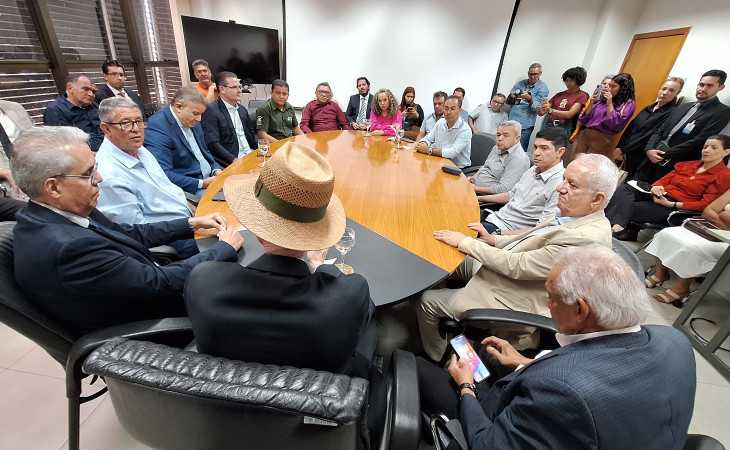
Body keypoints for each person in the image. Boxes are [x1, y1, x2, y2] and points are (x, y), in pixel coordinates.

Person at [185, 140, 385, 439]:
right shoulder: (348, 294)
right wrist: (321, 268)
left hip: (224, 418)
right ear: (317, 237)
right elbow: (366, 313)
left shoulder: (203, 280)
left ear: (255, 227)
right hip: (315, 427)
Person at [417, 245, 695, 450]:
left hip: (495, 425)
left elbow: (486, 444)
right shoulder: (675, 341)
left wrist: (466, 387)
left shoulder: (562, 391)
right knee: (479, 350)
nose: (548, 307)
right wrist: (524, 362)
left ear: (580, 310)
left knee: (415, 365)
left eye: (551, 297)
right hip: (577, 420)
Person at [10, 126, 243, 336]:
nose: (100, 178)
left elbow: (127, 233)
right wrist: (223, 249)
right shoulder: (70, 248)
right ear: (53, 187)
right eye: (88, 173)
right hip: (156, 327)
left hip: (146, 285)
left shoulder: (58, 211)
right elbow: (159, 282)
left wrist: (191, 223)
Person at [418, 154, 618, 359]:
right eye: (564, 179)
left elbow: (518, 266)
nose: (560, 187)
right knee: (447, 254)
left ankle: (439, 359)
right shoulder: (575, 214)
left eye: (572, 185)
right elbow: (530, 238)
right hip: (507, 272)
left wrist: (466, 242)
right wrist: (494, 240)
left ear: (597, 199)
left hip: (514, 296)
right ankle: (447, 316)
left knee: (428, 301)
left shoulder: (583, 239)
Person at [95, 97, 198, 258]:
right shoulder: (108, 175)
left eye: (139, 121)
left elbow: (167, 189)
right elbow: (138, 233)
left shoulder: (139, 149)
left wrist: (197, 213)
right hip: (172, 238)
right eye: (126, 123)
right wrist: (191, 225)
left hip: (188, 221)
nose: (136, 129)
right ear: (106, 128)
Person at [609, 135, 730, 241]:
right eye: (705, 147)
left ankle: (615, 228)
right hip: (658, 195)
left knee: (626, 205)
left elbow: (704, 205)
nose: (706, 150)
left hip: (675, 207)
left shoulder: (724, 175)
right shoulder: (687, 165)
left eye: (713, 148)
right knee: (625, 189)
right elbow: (662, 182)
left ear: (726, 152)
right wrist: (657, 188)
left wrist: (672, 204)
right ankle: (618, 227)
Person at [636, 70, 730, 182]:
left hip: (676, 165)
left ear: (720, 88)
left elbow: (700, 140)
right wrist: (649, 148)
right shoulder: (683, 107)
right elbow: (660, 130)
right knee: (631, 188)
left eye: (709, 86)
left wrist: (665, 154)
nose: (703, 89)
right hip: (650, 158)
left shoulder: (721, 111)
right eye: (701, 84)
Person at [474, 127, 567, 234]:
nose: (536, 153)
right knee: (459, 211)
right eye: (535, 147)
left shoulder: (560, 184)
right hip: (496, 217)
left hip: (506, 231)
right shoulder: (533, 170)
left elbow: (541, 230)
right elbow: (512, 195)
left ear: (560, 151)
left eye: (544, 148)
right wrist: (478, 198)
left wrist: (499, 235)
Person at [645, 189, 730, 304]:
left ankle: (682, 288)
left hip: (726, 240)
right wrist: (725, 218)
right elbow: (708, 212)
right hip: (711, 228)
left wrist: (722, 215)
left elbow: (716, 214)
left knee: (691, 247)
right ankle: (661, 274)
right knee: (666, 234)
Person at [145, 87, 222, 197]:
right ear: (179, 107)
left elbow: (204, 151)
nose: (199, 119)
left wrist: (216, 169)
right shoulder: (157, 128)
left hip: (211, 179)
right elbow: (163, 174)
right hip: (190, 188)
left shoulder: (191, 120)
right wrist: (202, 184)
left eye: (201, 114)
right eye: (195, 113)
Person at [615, 77, 685, 179]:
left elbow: (648, 135)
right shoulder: (648, 108)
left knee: (626, 181)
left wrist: (624, 149)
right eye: (664, 88)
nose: (665, 93)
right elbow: (630, 128)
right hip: (624, 151)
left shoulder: (671, 113)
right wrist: (619, 147)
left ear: (677, 94)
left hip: (639, 155)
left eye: (671, 90)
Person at [572, 73, 636, 162]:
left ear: (622, 88)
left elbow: (614, 122)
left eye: (613, 86)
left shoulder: (628, 103)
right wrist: (592, 102)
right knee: (575, 161)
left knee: (591, 164)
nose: (609, 88)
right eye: (608, 85)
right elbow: (585, 118)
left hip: (602, 138)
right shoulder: (602, 99)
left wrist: (609, 103)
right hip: (586, 133)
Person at [200, 71, 257, 166]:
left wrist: (261, 147)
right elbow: (213, 143)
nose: (239, 91)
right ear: (222, 89)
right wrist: (234, 160)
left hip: (251, 154)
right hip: (233, 159)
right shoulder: (211, 111)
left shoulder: (242, 109)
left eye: (239, 87)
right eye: (234, 87)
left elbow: (251, 133)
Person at [43, 74, 104, 151]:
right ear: (70, 88)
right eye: (86, 89)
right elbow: (64, 145)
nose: (91, 94)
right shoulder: (55, 110)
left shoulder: (94, 106)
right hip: (83, 154)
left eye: (93, 91)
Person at [468, 121, 530, 195]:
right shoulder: (497, 147)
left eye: (505, 136)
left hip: (486, 196)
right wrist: (472, 178)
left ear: (517, 138)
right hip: (474, 185)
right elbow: (485, 166)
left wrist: (475, 188)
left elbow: (504, 190)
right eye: (498, 135)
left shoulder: (518, 159)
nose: (500, 139)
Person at [415, 95, 471, 168]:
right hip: (440, 162)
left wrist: (428, 150)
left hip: (458, 168)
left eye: (453, 109)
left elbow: (452, 152)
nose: (449, 112)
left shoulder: (465, 129)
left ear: (460, 111)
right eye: (446, 108)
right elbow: (428, 138)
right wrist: (424, 144)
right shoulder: (440, 123)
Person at [0, 99, 33, 220]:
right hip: (6, 181)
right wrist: (4, 172)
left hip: (34, 167)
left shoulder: (15, 107)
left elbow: (37, 137)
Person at [507, 63, 549, 151]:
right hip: (511, 121)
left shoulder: (543, 88)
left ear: (540, 73)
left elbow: (538, 109)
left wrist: (529, 98)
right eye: (530, 74)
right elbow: (508, 102)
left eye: (535, 74)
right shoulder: (521, 83)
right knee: (507, 146)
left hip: (525, 125)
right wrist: (512, 96)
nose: (532, 77)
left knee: (520, 150)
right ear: (528, 73)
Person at [536, 66, 588, 134]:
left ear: (578, 81)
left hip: (564, 127)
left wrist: (550, 110)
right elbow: (542, 112)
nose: (567, 83)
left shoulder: (582, 95)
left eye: (571, 81)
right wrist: (540, 109)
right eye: (566, 81)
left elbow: (569, 114)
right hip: (549, 124)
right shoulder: (559, 95)